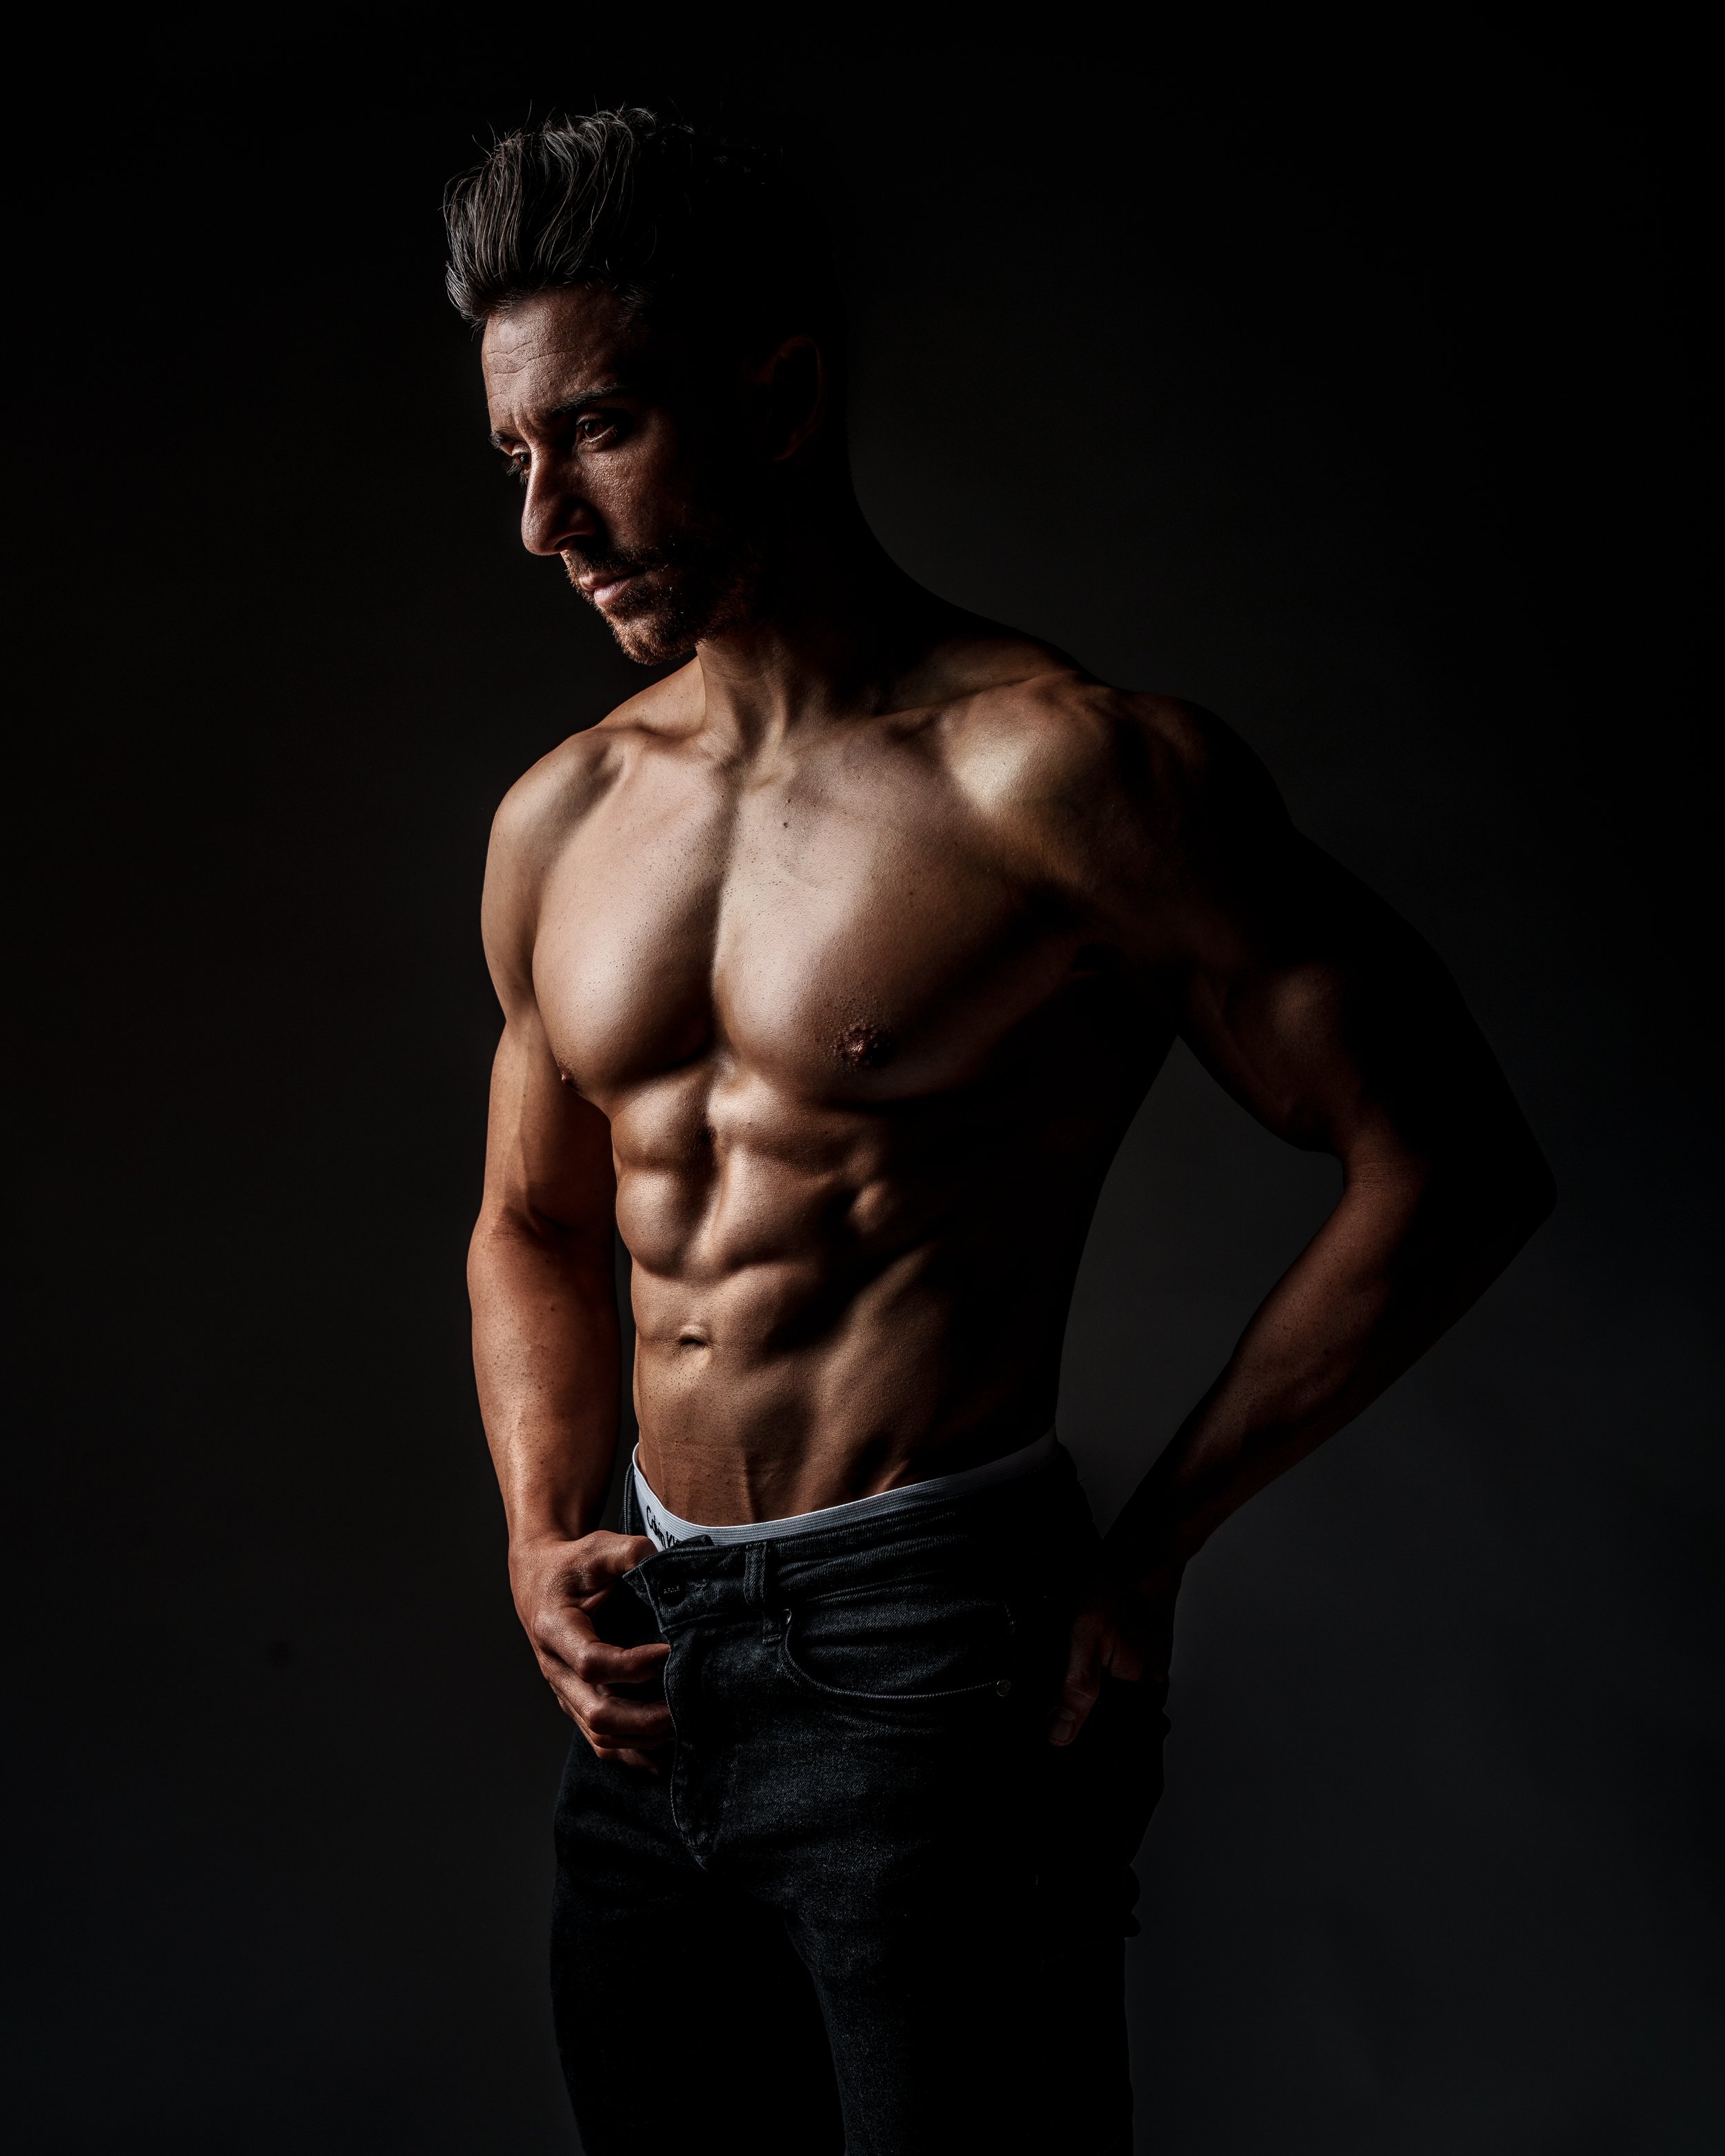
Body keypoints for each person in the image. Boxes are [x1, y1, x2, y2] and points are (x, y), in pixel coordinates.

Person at [449, 109, 1554, 2156]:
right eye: (514, 454)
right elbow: (531, 1221)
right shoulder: (560, 819)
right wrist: (536, 1530)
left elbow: (1449, 1161)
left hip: (933, 1658)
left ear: (773, 396)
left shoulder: (1057, 774)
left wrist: (1144, 1555)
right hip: (646, 1669)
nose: (546, 525)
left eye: (596, 432)